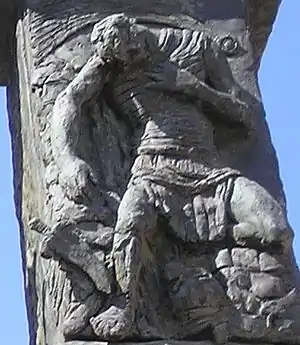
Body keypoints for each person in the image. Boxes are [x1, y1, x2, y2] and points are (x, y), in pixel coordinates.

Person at [51, 13, 293, 340]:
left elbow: (244, 115)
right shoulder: (111, 62)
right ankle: (125, 304)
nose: (130, 62)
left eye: (133, 52)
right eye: (121, 59)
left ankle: (221, 241)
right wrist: (68, 160)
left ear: (136, 30)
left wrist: (189, 86)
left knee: (276, 230)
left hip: (211, 170)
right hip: (153, 172)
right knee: (130, 225)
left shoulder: (198, 44)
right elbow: (69, 100)